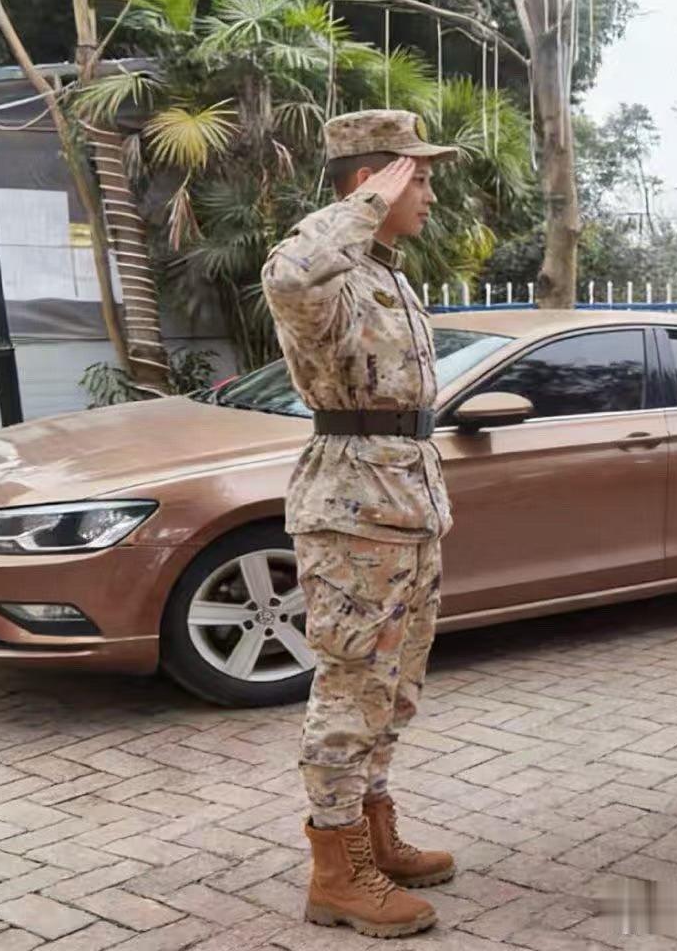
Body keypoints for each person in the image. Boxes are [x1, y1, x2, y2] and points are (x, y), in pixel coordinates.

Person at [261, 109, 461, 938]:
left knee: (394, 687)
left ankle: (372, 833)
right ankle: (336, 870)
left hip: (406, 505)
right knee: (350, 686)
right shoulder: (328, 270)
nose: (429, 192)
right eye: (418, 174)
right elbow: (285, 277)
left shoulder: (386, 272)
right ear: (373, 181)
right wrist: (362, 207)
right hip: (354, 513)